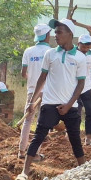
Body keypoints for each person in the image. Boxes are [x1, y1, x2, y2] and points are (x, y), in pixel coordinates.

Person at [17, 19, 87, 180]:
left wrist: (70, 104)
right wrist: (32, 100)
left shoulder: (80, 57)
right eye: (55, 32)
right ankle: (24, 172)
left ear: (70, 34)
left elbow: (81, 83)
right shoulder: (50, 54)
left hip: (70, 106)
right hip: (49, 103)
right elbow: (42, 78)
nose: (56, 35)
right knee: (39, 135)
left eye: (59, 32)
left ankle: (84, 171)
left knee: (75, 139)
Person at [18, 24, 52, 159]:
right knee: (41, 123)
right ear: (48, 35)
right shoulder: (50, 52)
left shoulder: (28, 51)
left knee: (27, 121)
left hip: (32, 91)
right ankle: (35, 153)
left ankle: (21, 151)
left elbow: (23, 73)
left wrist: (31, 79)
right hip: (47, 92)